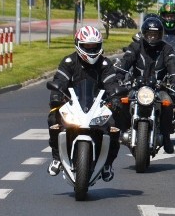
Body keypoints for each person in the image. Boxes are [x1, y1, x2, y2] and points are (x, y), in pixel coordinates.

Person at [47, 25, 121, 181]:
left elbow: (111, 83)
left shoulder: (105, 64)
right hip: (72, 105)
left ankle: (107, 164)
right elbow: (59, 81)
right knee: (53, 118)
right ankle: (56, 158)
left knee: (115, 125)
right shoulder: (69, 62)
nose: (91, 49)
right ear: (78, 44)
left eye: (94, 46)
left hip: (98, 107)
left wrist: (115, 97)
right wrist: (56, 95)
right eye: (87, 46)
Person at [116, 15, 175, 154]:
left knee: (168, 103)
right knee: (121, 101)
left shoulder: (166, 49)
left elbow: (172, 65)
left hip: (159, 88)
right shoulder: (135, 46)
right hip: (136, 87)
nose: (152, 38)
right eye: (150, 35)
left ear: (160, 35)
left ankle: (167, 136)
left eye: (155, 35)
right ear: (144, 34)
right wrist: (119, 76)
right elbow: (126, 61)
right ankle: (122, 130)